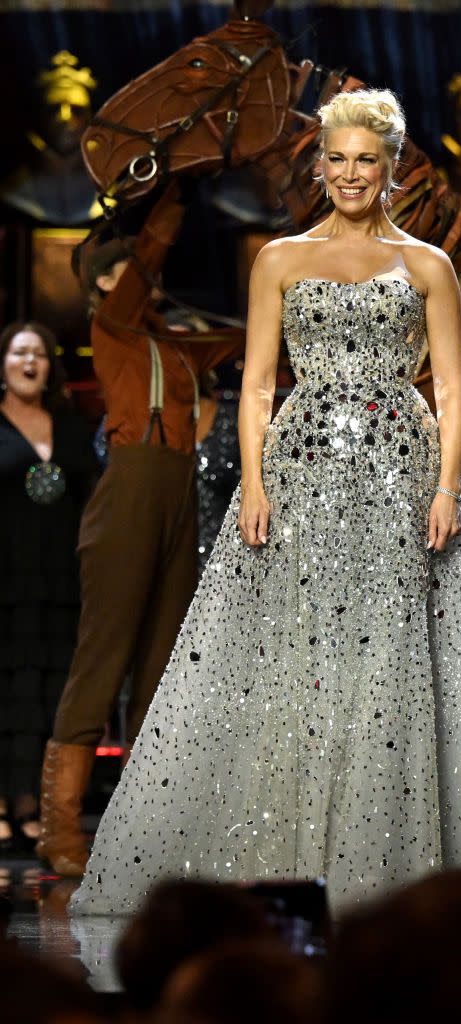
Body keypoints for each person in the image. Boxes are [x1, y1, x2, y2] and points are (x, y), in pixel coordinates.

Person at [71, 89, 461, 918]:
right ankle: (292, 847)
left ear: (389, 169)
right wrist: (257, 483)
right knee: (295, 657)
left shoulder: (426, 266)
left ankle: (394, 855)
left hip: (399, 476)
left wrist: (448, 486)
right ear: (320, 167)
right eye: (336, 159)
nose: (349, 174)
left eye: (365, 161)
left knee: (394, 665)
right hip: (303, 472)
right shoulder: (279, 258)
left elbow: (450, 389)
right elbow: (259, 385)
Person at [37, 180, 244, 877]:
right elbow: (143, 269)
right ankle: (60, 829)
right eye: (125, 270)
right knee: (104, 661)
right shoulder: (111, 328)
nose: (141, 277)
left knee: (162, 665)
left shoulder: (178, 347)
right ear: (102, 284)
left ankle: (147, 824)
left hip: (178, 497)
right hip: (127, 492)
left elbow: (244, 339)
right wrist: (170, 210)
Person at [0, 321, 96, 852]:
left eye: (37, 353)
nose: (29, 362)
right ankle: (4, 801)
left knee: (48, 692)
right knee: (6, 688)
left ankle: (36, 805)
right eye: (18, 353)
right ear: (4, 363)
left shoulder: (70, 423)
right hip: (6, 579)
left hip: (59, 579)